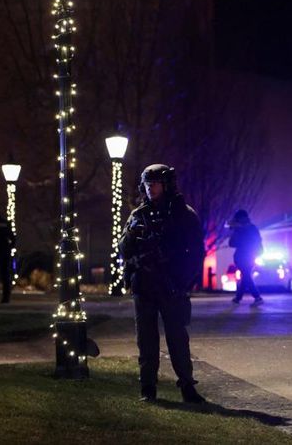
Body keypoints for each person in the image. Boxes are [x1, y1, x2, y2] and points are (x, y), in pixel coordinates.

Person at [119, 164, 206, 403]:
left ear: (166, 184)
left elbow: (197, 251)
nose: (150, 188)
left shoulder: (183, 214)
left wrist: (184, 280)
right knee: (146, 340)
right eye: (147, 184)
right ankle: (148, 387)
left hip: (171, 285)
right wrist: (131, 237)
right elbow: (124, 250)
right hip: (144, 286)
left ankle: (187, 386)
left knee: (177, 338)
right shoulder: (138, 215)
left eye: (155, 183)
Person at [229, 209, 264, 305]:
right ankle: (238, 297)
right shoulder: (251, 228)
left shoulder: (247, 229)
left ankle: (257, 296)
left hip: (245, 256)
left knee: (246, 275)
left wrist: (238, 231)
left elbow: (233, 243)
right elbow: (232, 243)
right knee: (246, 275)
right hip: (247, 256)